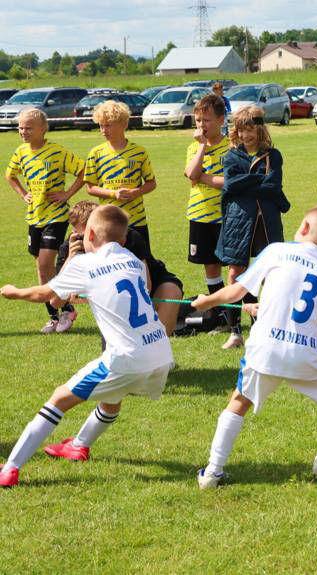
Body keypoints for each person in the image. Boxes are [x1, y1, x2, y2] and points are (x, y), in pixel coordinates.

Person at [0, 205, 174, 488]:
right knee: (112, 398)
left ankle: (10, 468)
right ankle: (78, 445)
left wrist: (13, 292)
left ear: (89, 233)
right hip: (160, 354)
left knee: (59, 399)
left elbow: (49, 296)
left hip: (125, 357)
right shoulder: (132, 259)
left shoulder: (86, 265)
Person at [193, 206, 317, 487]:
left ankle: (212, 472)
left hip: (266, 348)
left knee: (239, 401)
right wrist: (262, 308)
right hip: (305, 352)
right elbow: (310, 312)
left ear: (304, 227)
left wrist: (205, 302)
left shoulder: (276, 250)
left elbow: (236, 290)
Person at [216, 105, 290, 350]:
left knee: (269, 274)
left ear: (260, 129)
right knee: (236, 273)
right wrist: (257, 179)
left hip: (266, 223)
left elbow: (273, 187)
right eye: (241, 130)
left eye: (250, 130)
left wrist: (245, 182)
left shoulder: (274, 155)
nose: (246, 135)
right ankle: (235, 331)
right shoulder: (230, 157)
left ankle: (263, 327)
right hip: (238, 221)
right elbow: (230, 186)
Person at [5, 107, 84, 333]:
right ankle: (57, 315)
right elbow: (10, 175)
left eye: (28, 127)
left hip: (56, 216)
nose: (23, 131)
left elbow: (83, 170)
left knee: (45, 263)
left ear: (43, 129)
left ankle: (65, 309)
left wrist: (67, 194)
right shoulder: (21, 152)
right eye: (20, 127)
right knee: (42, 270)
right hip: (34, 217)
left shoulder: (57, 152)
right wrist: (23, 194)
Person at [57, 201, 184, 336]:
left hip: (151, 286)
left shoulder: (128, 237)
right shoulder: (71, 246)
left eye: (91, 232)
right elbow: (56, 301)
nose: (88, 238)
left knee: (170, 294)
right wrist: (70, 258)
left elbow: (146, 286)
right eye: (81, 234)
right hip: (120, 295)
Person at [84, 99, 157, 250]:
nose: (104, 130)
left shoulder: (139, 152)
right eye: (101, 125)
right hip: (108, 223)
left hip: (136, 220)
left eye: (108, 125)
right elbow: (90, 188)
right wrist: (113, 194)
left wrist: (137, 192)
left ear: (123, 125)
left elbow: (151, 183)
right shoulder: (95, 153)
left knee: (141, 264)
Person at [184, 94, 230, 331]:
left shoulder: (231, 146)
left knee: (233, 268)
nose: (202, 125)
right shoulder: (194, 146)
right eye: (198, 120)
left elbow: (230, 181)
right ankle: (221, 317)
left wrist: (203, 177)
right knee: (210, 267)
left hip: (226, 216)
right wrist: (202, 146)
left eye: (207, 120)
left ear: (221, 120)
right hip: (200, 215)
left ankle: (236, 317)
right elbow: (191, 173)